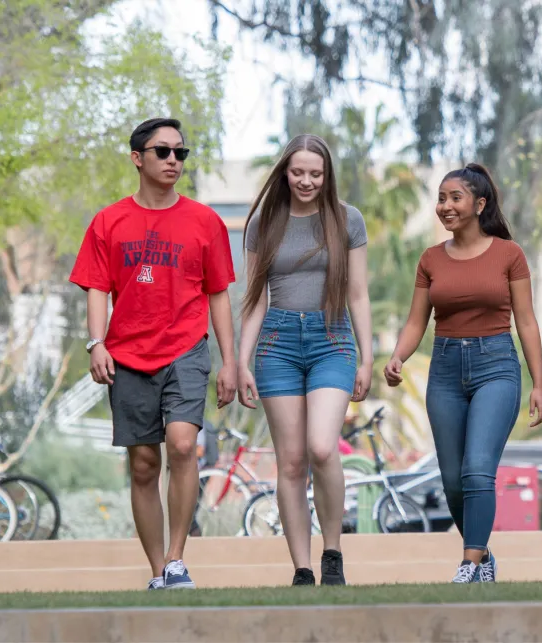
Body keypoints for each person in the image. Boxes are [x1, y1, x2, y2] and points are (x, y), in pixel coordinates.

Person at [69, 118, 237, 590]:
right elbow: (97, 287)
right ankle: (157, 570)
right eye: (162, 151)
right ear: (137, 158)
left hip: (185, 348)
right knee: (144, 463)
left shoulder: (205, 222)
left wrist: (230, 360)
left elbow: (218, 294)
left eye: (180, 153)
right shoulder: (108, 221)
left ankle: (178, 558)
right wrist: (96, 342)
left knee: (183, 444)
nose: (172, 161)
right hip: (127, 356)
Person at [383, 163, 542, 584]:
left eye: (455, 197)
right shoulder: (431, 259)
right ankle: (483, 554)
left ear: (479, 203)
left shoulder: (509, 254)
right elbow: (417, 321)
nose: (445, 206)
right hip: (445, 371)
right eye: (441, 198)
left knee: (478, 469)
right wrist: (398, 356)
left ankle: (469, 565)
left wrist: (538, 384)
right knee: (454, 481)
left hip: (496, 366)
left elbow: (526, 321)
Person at [235, 134, 373, 586]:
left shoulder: (346, 220)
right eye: (298, 172)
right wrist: (241, 360)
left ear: (327, 175)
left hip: (331, 339)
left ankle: (332, 550)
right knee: (291, 461)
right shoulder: (263, 223)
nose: (307, 181)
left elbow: (357, 292)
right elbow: (254, 299)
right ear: (285, 172)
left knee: (321, 446)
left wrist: (367, 358)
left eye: (316, 173)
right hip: (277, 343)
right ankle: (302, 567)